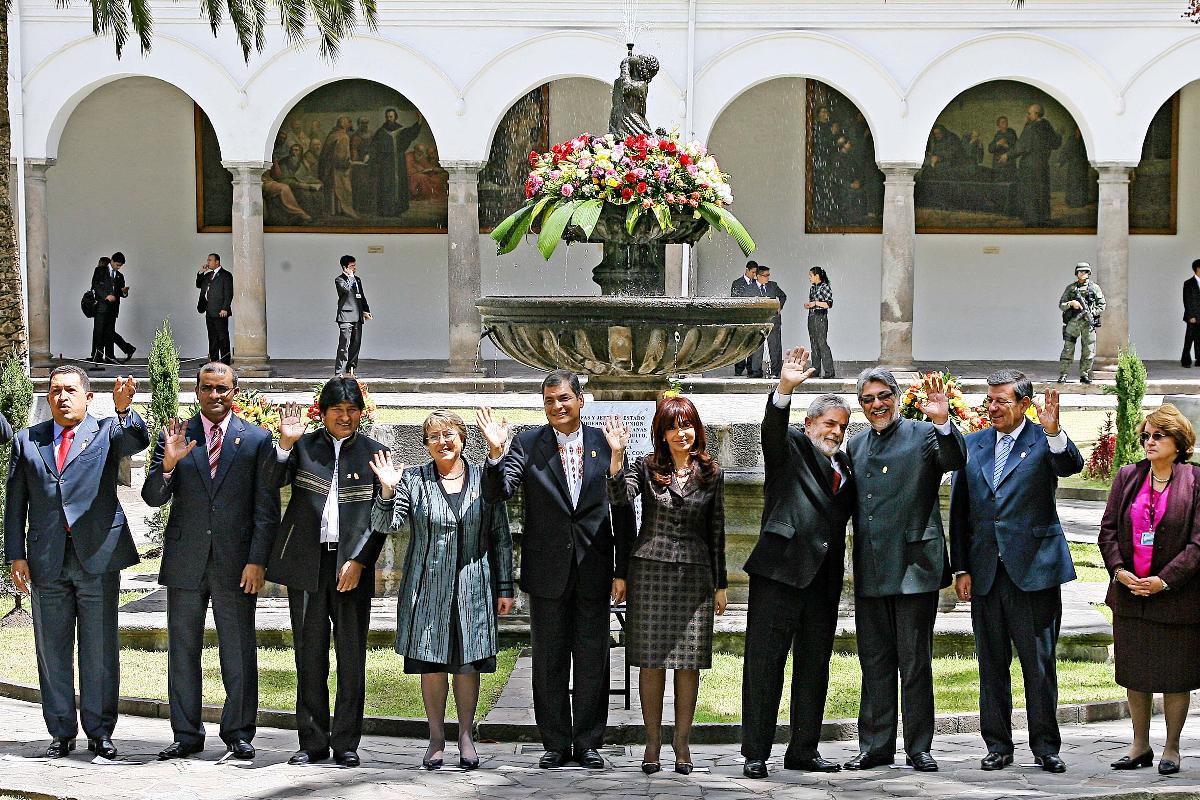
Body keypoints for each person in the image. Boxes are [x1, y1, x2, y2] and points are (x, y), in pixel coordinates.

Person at [478, 370, 632, 769]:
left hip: (595, 568)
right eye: (549, 401)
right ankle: (556, 742)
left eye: (563, 398)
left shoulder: (606, 442)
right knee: (548, 660)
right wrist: (495, 454)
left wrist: (622, 571)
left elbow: (622, 510)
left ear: (580, 399)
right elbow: (497, 493)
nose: (557, 406)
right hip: (547, 570)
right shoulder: (528, 443)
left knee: (592, 658)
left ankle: (588, 742)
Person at [141, 362, 280, 761]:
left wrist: (257, 561)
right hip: (186, 560)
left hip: (237, 564)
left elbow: (266, 508)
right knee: (183, 650)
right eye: (207, 388)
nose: (214, 395)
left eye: (222, 388)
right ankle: (186, 733)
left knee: (238, 649)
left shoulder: (256, 439)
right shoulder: (175, 434)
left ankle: (238, 732)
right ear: (197, 391)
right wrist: (168, 465)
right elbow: (152, 497)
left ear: (235, 392)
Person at [5, 367, 145, 759]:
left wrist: (123, 410)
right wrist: (16, 554)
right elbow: (15, 503)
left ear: (88, 397)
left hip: (96, 556)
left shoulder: (106, 431)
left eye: (70, 390)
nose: (62, 397)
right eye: (55, 391)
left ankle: (100, 732)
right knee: (52, 650)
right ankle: (61, 732)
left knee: (99, 648)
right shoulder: (27, 440)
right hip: (46, 559)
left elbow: (137, 439)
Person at [949, 371, 1083, 774]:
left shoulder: (1044, 440)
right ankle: (997, 745)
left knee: (1038, 664)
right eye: (989, 400)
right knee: (991, 664)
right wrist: (961, 568)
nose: (993, 408)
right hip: (986, 572)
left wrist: (1054, 431)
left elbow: (1070, 465)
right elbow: (960, 513)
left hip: (1034, 571)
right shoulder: (972, 444)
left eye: (1001, 401)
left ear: (1024, 404)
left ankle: (1045, 746)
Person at [369, 410, 515, 771]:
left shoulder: (483, 478)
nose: (442, 442)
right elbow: (386, 523)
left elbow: (500, 535)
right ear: (426, 444)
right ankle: (436, 738)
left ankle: (465, 735)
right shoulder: (413, 480)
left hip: (473, 587)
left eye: (448, 434)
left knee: (466, 663)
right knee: (431, 662)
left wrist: (504, 586)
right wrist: (387, 489)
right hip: (426, 588)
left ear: (463, 438)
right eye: (433, 437)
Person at [843, 368, 966, 772]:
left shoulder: (924, 433)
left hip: (915, 566)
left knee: (915, 662)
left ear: (896, 397)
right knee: (874, 660)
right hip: (872, 566)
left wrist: (942, 421)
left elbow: (955, 459)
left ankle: (919, 747)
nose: (877, 404)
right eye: (868, 399)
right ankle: (875, 746)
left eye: (883, 396)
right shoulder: (856, 445)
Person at [740, 347, 854, 779]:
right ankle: (755, 752)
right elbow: (771, 428)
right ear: (809, 425)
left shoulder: (846, 466)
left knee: (814, 666)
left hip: (823, 582)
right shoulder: (789, 449)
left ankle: (804, 749)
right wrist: (784, 389)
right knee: (764, 664)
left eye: (842, 426)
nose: (836, 432)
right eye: (829, 424)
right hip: (779, 574)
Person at [267, 381, 390, 768]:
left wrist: (360, 561)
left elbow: (381, 518)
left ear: (361, 412)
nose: (345, 416)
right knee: (309, 655)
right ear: (322, 412)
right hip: (307, 562)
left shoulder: (375, 453)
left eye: (352, 409)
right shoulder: (303, 446)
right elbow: (271, 481)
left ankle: (347, 743)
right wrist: (285, 444)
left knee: (352, 657)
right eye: (337, 409)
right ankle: (312, 742)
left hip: (352, 566)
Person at [603, 395, 726, 776]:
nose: (680, 433)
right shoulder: (646, 467)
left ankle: (682, 742)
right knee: (651, 660)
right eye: (672, 427)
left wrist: (721, 584)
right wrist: (617, 456)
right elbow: (619, 497)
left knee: (689, 664)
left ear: (696, 429)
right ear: (661, 433)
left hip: (695, 576)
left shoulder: (712, 473)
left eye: (686, 425)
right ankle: (653, 741)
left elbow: (717, 530)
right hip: (650, 572)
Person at [1099, 404, 1200, 776]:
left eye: (1158, 435)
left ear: (1179, 441)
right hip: (1130, 595)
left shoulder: (1195, 480)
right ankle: (1139, 745)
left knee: (1175, 676)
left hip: (1177, 597)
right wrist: (1120, 572)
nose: (1149, 442)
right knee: (1135, 673)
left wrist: (1165, 580)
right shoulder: (1128, 476)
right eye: (1145, 436)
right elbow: (1108, 531)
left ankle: (1172, 748)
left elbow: (1198, 543)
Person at [1001, 103, 1062, 226]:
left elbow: (1021, 146)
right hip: (1043, 166)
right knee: (1042, 193)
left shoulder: (1031, 127)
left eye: (1029, 113)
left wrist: (1007, 155)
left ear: (1036, 114)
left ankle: (1032, 221)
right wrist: (1060, 134)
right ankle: (1044, 219)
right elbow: (1056, 143)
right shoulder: (1047, 125)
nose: (1027, 115)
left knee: (1030, 193)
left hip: (1029, 167)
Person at [1057, 262, 1106, 384]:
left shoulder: (1094, 288)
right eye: (1080, 271)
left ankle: (1084, 374)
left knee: (1088, 350)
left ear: (1088, 273)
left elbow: (1102, 305)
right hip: (1073, 323)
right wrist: (1071, 303)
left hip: (1087, 324)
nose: (1082, 273)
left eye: (1085, 271)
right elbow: (1061, 305)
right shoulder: (1071, 288)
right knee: (1068, 349)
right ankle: (1063, 374)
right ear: (1076, 273)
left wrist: (1092, 313)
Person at [370, 108, 423, 216]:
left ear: (395, 117)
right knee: (386, 185)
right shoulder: (381, 132)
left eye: (391, 116)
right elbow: (374, 145)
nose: (389, 119)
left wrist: (419, 121)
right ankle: (386, 210)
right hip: (386, 164)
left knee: (399, 184)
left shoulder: (401, 131)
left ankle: (398, 210)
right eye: (387, 117)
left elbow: (412, 132)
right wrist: (369, 154)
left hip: (399, 162)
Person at [89, 253, 135, 368]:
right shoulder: (100, 271)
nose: (118, 267)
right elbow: (95, 285)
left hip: (113, 309)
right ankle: (97, 357)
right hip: (101, 307)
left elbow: (121, 294)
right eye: (117, 265)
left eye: (120, 266)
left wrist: (124, 292)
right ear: (112, 261)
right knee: (98, 332)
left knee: (109, 333)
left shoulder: (120, 276)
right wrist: (106, 296)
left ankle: (110, 356)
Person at [334, 255, 372, 378]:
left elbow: (361, 296)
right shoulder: (339, 280)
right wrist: (350, 277)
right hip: (345, 316)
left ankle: (351, 370)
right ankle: (339, 372)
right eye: (351, 266)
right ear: (345, 267)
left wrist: (366, 310)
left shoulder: (358, 280)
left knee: (356, 344)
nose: (354, 268)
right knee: (344, 345)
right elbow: (345, 290)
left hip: (358, 316)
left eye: (355, 265)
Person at [196, 253, 233, 366]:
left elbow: (229, 293)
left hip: (220, 311)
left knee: (222, 337)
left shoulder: (226, 275)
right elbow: (198, 284)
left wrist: (225, 308)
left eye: (210, 260)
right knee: (212, 337)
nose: (208, 262)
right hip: (209, 310)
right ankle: (213, 361)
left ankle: (225, 362)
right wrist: (201, 272)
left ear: (217, 262)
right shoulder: (208, 275)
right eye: (207, 260)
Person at [755, 266, 787, 379]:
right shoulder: (751, 287)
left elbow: (783, 296)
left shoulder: (773, 285)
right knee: (757, 348)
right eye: (765, 275)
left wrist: (779, 306)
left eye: (768, 275)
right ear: (758, 276)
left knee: (775, 347)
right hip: (758, 321)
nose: (768, 277)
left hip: (773, 320)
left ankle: (776, 371)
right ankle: (756, 372)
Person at [804, 267, 835, 379]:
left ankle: (829, 371)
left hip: (821, 317)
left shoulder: (825, 287)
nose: (809, 278)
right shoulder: (813, 288)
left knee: (822, 343)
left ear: (817, 276)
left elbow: (828, 304)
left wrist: (815, 303)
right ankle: (815, 370)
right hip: (812, 316)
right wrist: (810, 305)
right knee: (814, 343)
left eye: (811, 275)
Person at [731, 261, 760, 377]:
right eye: (753, 272)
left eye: (756, 273)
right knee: (740, 344)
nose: (754, 275)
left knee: (752, 343)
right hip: (742, 318)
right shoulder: (737, 283)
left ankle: (751, 369)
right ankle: (739, 369)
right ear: (747, 270)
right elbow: (734, 300)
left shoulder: (757, 284)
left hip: (754, 319)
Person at [1181, 259, 1200, 368]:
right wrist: (1191, 316)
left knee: (1199, 339)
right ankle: (1185, 360)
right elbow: (1187, 300)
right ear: (1198, 269)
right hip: (1192, 317)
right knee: (1189, 338)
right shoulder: (1188, 283)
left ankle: (1199, 360)